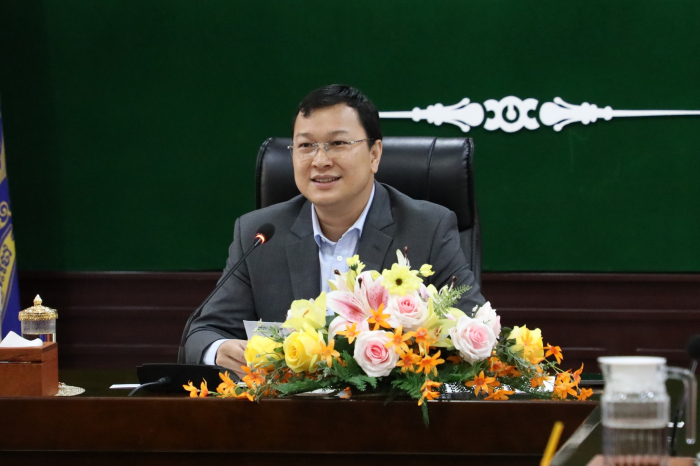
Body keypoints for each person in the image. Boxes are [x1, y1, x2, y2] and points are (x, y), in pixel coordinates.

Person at [184, 84, 485, 377]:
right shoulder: (259, 234)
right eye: (306, 146)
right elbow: (202, 332)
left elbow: (476, 330)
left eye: (338, 144)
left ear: (374, 154)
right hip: (287, 407)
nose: (320, 161)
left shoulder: (427, 229)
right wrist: (218, 349)